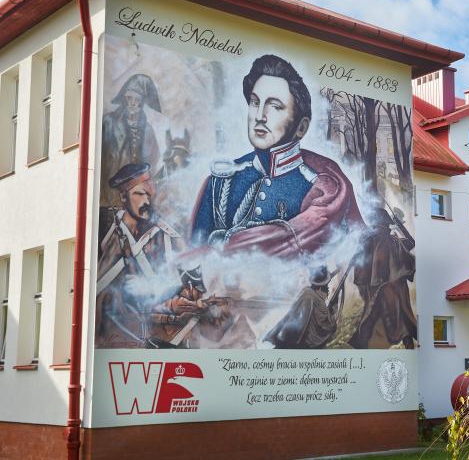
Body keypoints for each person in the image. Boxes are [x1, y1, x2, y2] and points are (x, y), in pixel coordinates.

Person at [190, 54, 363, 257]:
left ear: (301, 127)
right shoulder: (219, 183)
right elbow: (194, 257)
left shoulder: (320, 187)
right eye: (255, 102)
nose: (260, 116)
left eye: (275, 106)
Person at [95, 163, 183, 347]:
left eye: (149, 195)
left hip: (146, 333)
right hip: (105, 333)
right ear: (123, 196)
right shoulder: (105, 226)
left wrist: (148, 287)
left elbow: (177, 282)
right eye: (139, 194)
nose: (146, 202)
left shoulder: (163, 235)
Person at [349, 209, 416, 349]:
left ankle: (362, 342)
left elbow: (358, 261)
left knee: (380, 314)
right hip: (394, 285)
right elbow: (411, 242)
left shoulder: (372, 240)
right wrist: (400, 225)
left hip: (386, 285)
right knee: (392, 315)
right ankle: (363, 342)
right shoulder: (390, 240)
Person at [100, 74, 163, 207]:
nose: (132, 103)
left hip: (136, 197)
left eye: (137, 99)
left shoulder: (148, 130)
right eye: (129, 98)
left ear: (142, 102)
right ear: (124, 99)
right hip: (110, 192)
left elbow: (153, 159)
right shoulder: (108, 122)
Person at [149, 266, 234, 347]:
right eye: (199, 291)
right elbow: (187, 305)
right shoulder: (175, 300)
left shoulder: (197, 311)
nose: (201, 294)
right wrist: (209, 302)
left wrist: (225, 314)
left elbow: (215, 335)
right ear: (189, 287)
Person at [264, 266, 340, 349]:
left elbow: (324, 279)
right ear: (321, 287)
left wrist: (337, 270)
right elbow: (325, 325)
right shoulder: (316, 300)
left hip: (289, 333)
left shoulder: (306, 292)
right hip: (308, 340)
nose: (327, 288)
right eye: (326, 285)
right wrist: (334, 310)